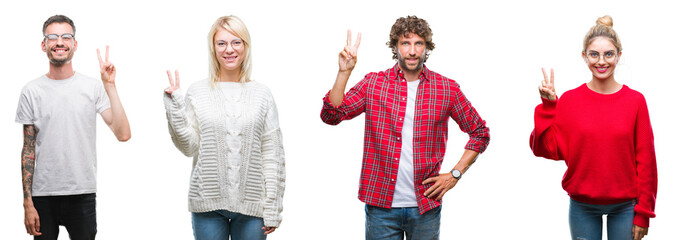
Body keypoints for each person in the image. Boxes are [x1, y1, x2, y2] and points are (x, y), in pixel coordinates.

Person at [320, 15, 490, 239]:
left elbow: (480, 132)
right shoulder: (373, 83)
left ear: (426, 47)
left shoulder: (446, 89)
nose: (412, 51)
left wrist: (455, 174)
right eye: (405, 43)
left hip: (426, 205)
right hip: (380, 206)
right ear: (395, 47)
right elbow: (332, 115)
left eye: (418, 43)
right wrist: (344, 72)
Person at [530, 15, 657, 240]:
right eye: (594, 54)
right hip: (582, 206)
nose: (601, 61)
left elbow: (646, 160)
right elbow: (546, 149)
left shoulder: (636, 101)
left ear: (619, 55)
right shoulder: (569, 100)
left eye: (608, 54)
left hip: (626, 206)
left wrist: (644, 213)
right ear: (584, 56)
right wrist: (549, 106)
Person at [163, 15, 285, 240]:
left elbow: (272, 154)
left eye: (236, 42)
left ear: (246, 47)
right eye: (222, 43)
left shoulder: (262, 94)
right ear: (213, 48)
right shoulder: (197, 91)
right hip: (207, 204)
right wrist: (175, 108)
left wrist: (273, 208)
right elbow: (189, 147)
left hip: (252, 206)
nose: (229, 49)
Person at [16, 14, 131, 240]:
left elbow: (123, 134)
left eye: (66, 36)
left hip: (82, 193)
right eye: (53, 37)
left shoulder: (92, 87)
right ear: (44, 44)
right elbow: (28, 150)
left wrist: (110, 86)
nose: (60, 42)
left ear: (75, 44)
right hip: (43, 195)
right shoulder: (31, 91)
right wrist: (27, 202)